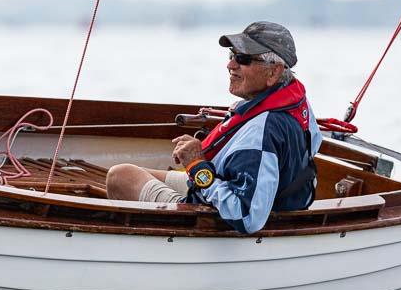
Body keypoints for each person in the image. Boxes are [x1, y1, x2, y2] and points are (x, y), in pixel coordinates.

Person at [106, 22, 322, 234]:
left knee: (120, 177)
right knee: (132, 172)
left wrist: (198, 166)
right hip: (241, 190)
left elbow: (247, 216)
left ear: (274, 73)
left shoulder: (262, 130)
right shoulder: (295, 102)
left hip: (216, 211)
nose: (230, 65)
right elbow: (312, 144)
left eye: (243, 59)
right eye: (231, 56)